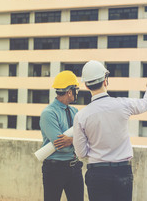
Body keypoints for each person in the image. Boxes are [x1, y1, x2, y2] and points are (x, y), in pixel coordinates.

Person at [73, 60, 147, 201]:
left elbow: (80, 153)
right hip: (122, 172)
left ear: (87, 85)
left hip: (97, 173)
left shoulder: (81, 116)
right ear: (105, 81)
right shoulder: (123, 105)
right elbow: (146, 103)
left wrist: (97, 149)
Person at [39, 70, 84, 201]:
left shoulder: (75, 111)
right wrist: (77, 141)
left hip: (74, 168)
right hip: (54, 170)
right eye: (76, 89)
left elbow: (84, 138)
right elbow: (61, 146)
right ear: (70, 92)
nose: (77, 93)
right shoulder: (49, 113)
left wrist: (71, 141)